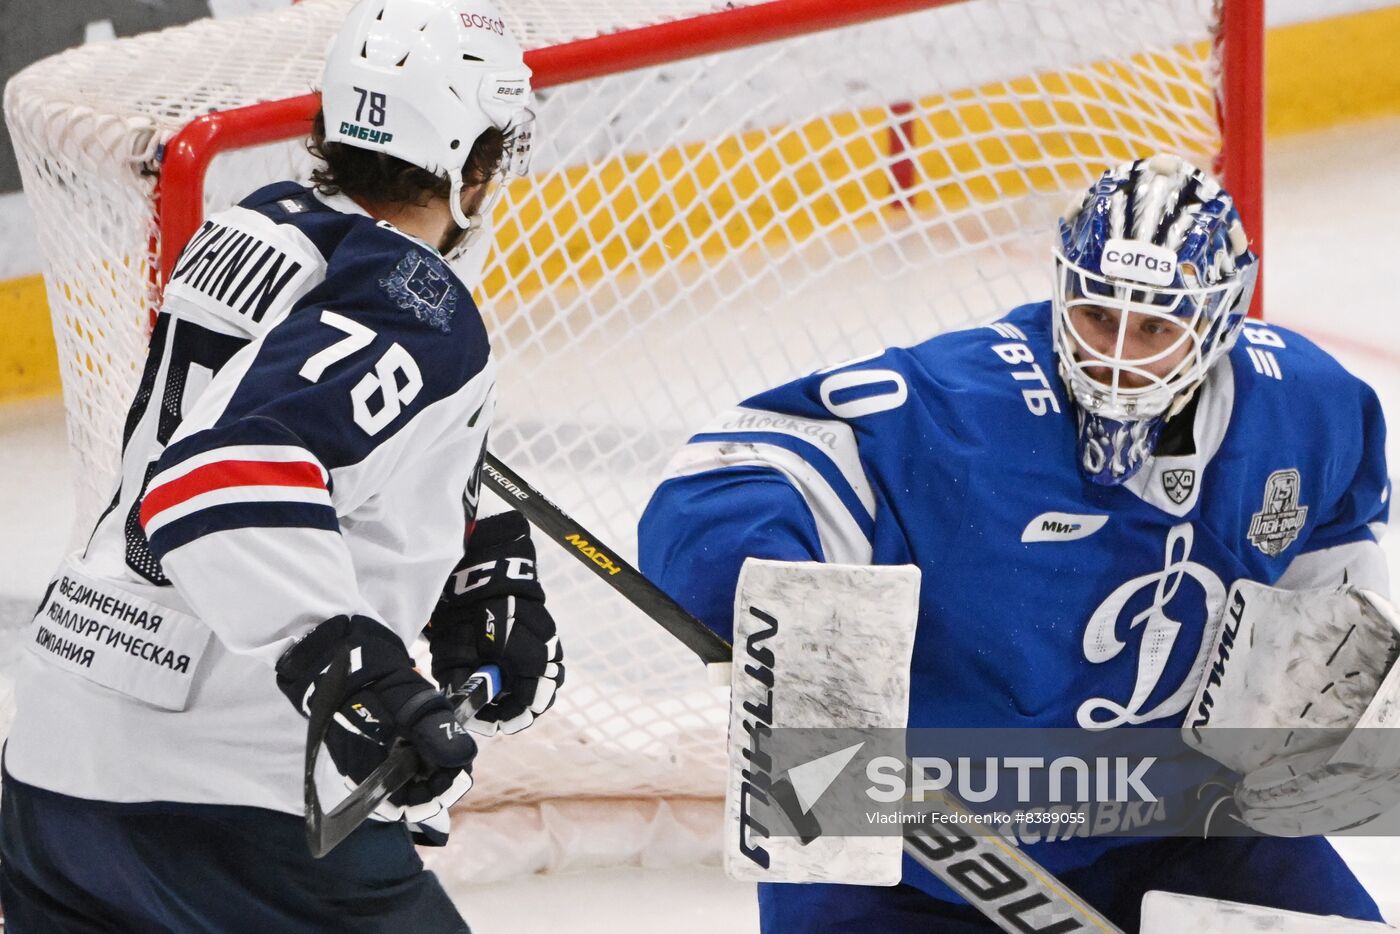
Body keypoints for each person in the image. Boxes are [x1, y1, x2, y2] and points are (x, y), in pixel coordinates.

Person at [638, 154, 1392, 931]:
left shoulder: (1306, 407)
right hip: (908, 856)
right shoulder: (965, 402)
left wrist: (1313, 697)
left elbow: (1334, 532)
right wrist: (769, 605)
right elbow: (741, 463)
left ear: (1220, 324)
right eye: (1098, 316)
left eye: (1156, 328)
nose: (1118, 356)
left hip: (1176, 826)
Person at [0, 1, 562, 930]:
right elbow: (219, 476)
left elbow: (289, 431)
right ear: (469, 162)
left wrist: (466, 555)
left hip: (58, 762)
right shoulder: (414, 300)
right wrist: (354, 669)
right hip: (224, 797)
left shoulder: (258, 226)